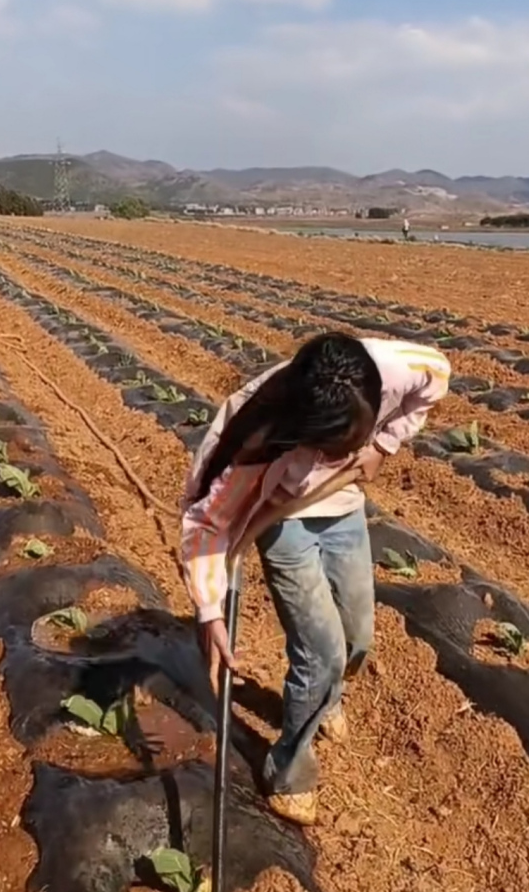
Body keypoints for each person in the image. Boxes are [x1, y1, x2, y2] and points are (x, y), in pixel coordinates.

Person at [181, 331, 450, 826]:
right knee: (321, 651)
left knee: (356, 635)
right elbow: (205, 524)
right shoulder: (250, 438)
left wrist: (385, 444)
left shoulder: (392, 367)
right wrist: (210, 611)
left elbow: (438, 375)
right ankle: (289, 774)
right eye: (334, 446)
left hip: (344, 508)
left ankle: (327, 699)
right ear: (301, 430)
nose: (344, 450)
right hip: (282, 519)